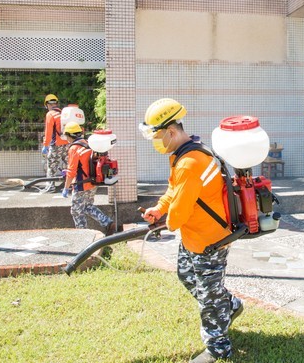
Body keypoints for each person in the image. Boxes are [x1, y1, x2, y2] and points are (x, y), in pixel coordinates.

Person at [139, 98, 243, 363]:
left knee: (208, 297)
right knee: (186, 276)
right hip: (193, 237)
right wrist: (159, 210)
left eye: (158, 135)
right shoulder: (182, 154)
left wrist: (168, 221)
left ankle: (218, 348)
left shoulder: (190, 162)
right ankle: (228, 305)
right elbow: (175, 192)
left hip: (210, 240)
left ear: (172, 131)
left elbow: (180, 214)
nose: (156, 141)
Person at [61, 122, 118, 235]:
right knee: (87, 207)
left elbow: (71, 171)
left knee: (76, 211)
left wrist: (66, 187)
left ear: (69, 135)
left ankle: (83, 235)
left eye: (66, 136)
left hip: (81, 184)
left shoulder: (74, 148)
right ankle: (108, 223)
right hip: (92, 182)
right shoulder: (88, 144)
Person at [42, 94, 69, 190]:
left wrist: (45, 145)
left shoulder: (50, 114)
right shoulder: (62, 113)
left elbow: (48, 132)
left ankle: (50, 186)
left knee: (52, 166)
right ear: (56, 103)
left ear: (47, 105)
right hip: (67, 143)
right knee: (69, 165)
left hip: (56, 145)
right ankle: (70, 185)